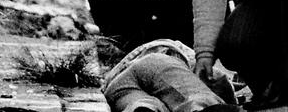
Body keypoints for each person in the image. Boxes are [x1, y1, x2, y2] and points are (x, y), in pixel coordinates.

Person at [102, 39, 239, 112]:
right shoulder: (176, 51)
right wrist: (230, 96)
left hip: (117, 88)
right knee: (197, 101)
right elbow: (215, 77)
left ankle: (142, 107)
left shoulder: (114, 73)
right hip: (155, 62)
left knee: (142, 105)